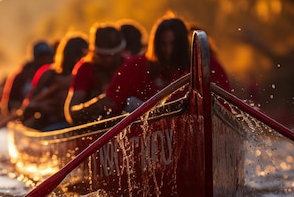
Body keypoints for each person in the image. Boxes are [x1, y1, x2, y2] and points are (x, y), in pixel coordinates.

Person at [68, 13, 232, 121]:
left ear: (183, 45)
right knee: (131, 103)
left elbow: (226, 109)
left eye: (173, 45)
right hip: (152, 129)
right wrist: (88, 107)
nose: (168, 51)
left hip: (199, 122)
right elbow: (110, 103)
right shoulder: (135, 66)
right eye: (163, 45)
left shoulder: (206, 65)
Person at [20, 31, 88, 130]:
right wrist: (41, 106)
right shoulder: (49, 75)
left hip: (79, 124)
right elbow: (26, 107)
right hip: (53, 124)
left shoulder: (90, 72)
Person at [64, 23, 125, 125]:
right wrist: (94, 105)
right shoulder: (85, 68)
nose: (110, 59)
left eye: (115, 54)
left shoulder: (129, 64)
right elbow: (70, 112)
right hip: (97, 126)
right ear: (95, 52)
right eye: (105, 55)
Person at [0, 40, 54, 116]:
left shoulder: (56, 74)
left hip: (50, 116)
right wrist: (36, 107)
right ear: (35, 58)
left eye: (48, 56)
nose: (46, 60)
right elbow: (8, 105)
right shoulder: (21, 77)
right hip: (29, 116)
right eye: (41, 56)